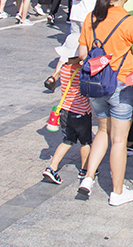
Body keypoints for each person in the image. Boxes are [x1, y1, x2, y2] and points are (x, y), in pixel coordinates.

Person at [76, 0, 133, 206]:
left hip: (95, 84)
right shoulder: (129, 21)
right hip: (120, 84)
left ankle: (88, 178)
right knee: (118, 140)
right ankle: (117, 191)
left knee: (102, 131)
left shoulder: (91, 17)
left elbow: (82, 54)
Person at [42, 56, 93, 186]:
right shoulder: (81, 70)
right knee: (85, 142)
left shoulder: (64, 69)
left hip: (65, 111)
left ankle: (52, 167)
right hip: (81, 112)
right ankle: (84, 169)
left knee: (67, 140)